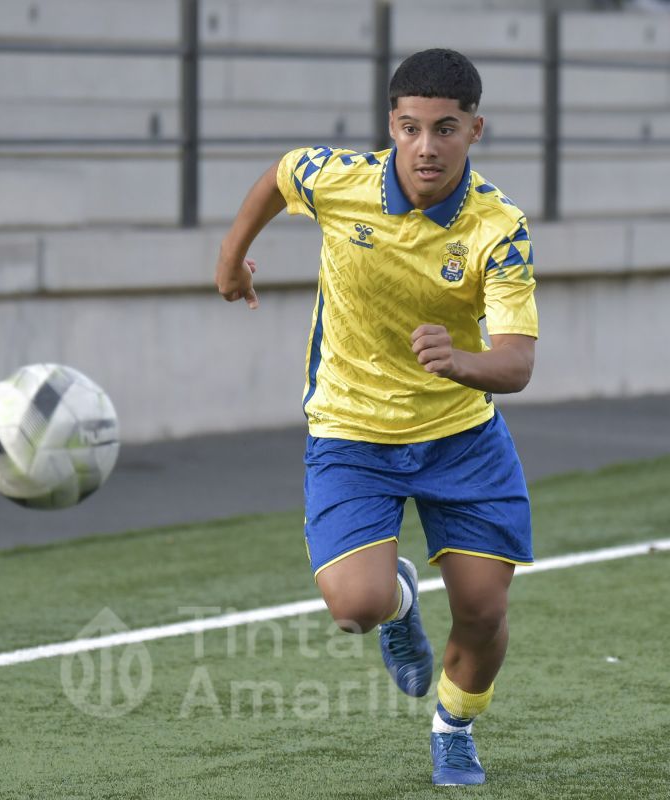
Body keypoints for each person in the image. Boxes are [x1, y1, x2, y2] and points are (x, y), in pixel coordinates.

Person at [214, 48, 537, 787]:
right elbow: (281, 175)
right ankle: (399, 602)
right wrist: (231, 258)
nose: (426, 147)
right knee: (355, 607)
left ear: (475, 129)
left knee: (484, 613)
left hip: (461, 438)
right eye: (411, 127)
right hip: (351, 431)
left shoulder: (499, 227)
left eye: (446, 129)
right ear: (391, 126)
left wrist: (462, 361)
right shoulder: (341, 180)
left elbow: (517, 364)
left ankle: (453, 727)